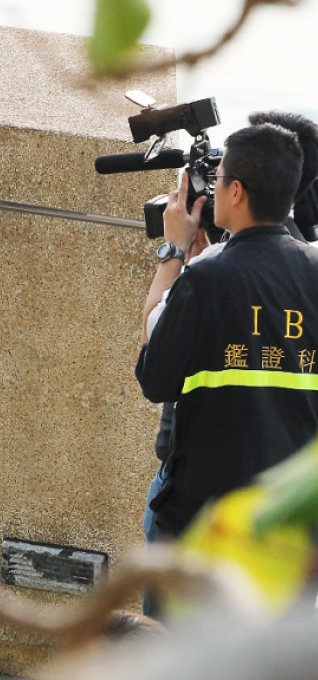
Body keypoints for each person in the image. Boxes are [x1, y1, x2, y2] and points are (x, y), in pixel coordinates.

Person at [136, 122, 318, 541]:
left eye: (218, 180)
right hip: (290, 526)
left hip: (202, 519)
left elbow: (156, 377)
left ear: (236, 191)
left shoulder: (205, 277)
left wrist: (175, 251)